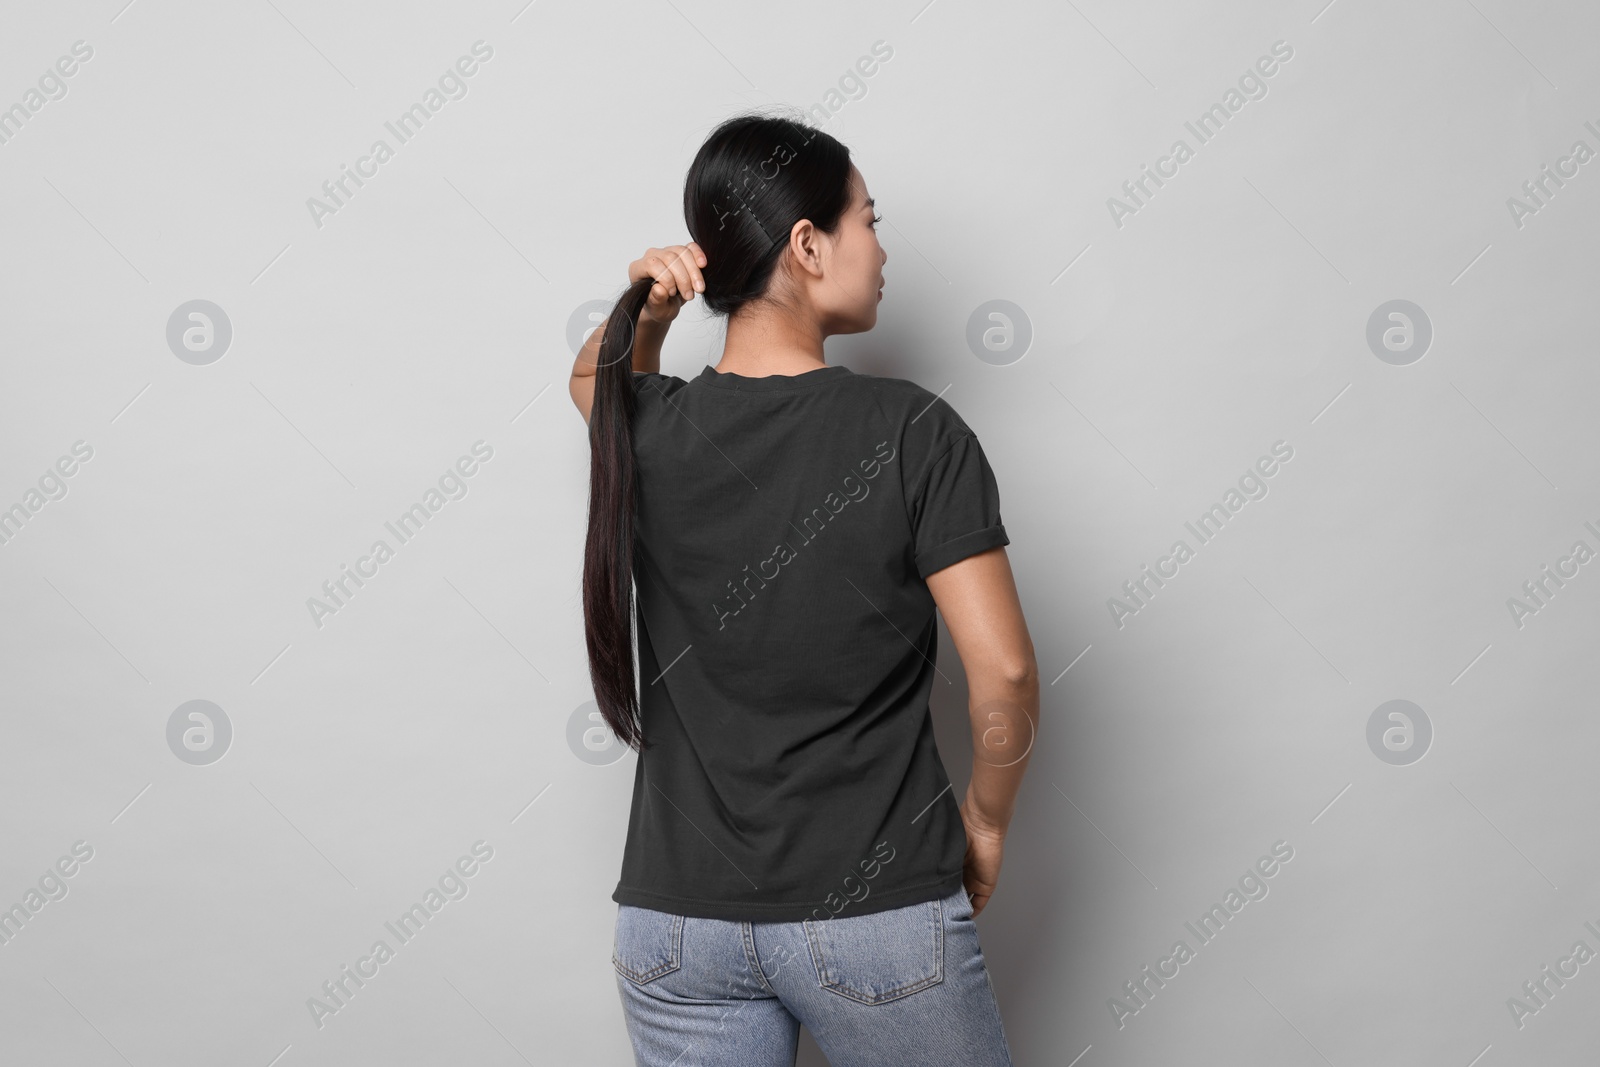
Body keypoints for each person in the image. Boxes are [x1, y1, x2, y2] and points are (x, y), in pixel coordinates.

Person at [568, 112, 1039, 1067]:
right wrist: (985, 822)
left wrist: (648, 310)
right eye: (869, 219)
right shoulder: (914, 431)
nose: (883, 246)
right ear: (808, 244)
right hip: (876, 916)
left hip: (675, 928)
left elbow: (590, 384)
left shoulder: (648, 428)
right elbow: (1008, 677)